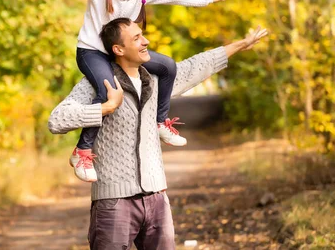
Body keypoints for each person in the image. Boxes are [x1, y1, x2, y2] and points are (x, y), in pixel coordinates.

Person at [9, 0, 225, 182]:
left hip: (120, 52)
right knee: (108, 92)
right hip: (92, 53)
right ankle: (82, 151)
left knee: (167, 66)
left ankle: (160, 122)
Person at [48, 18, 268, 249]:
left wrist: (241, 44)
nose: (146, 42)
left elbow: (197, 65)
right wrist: (106, 107)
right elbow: (57, 120)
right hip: (113, 201)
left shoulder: (155, 79)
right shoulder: (96, 83)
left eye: (142, 35)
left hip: (157, 199)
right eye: (136, 38)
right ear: (118, 49)